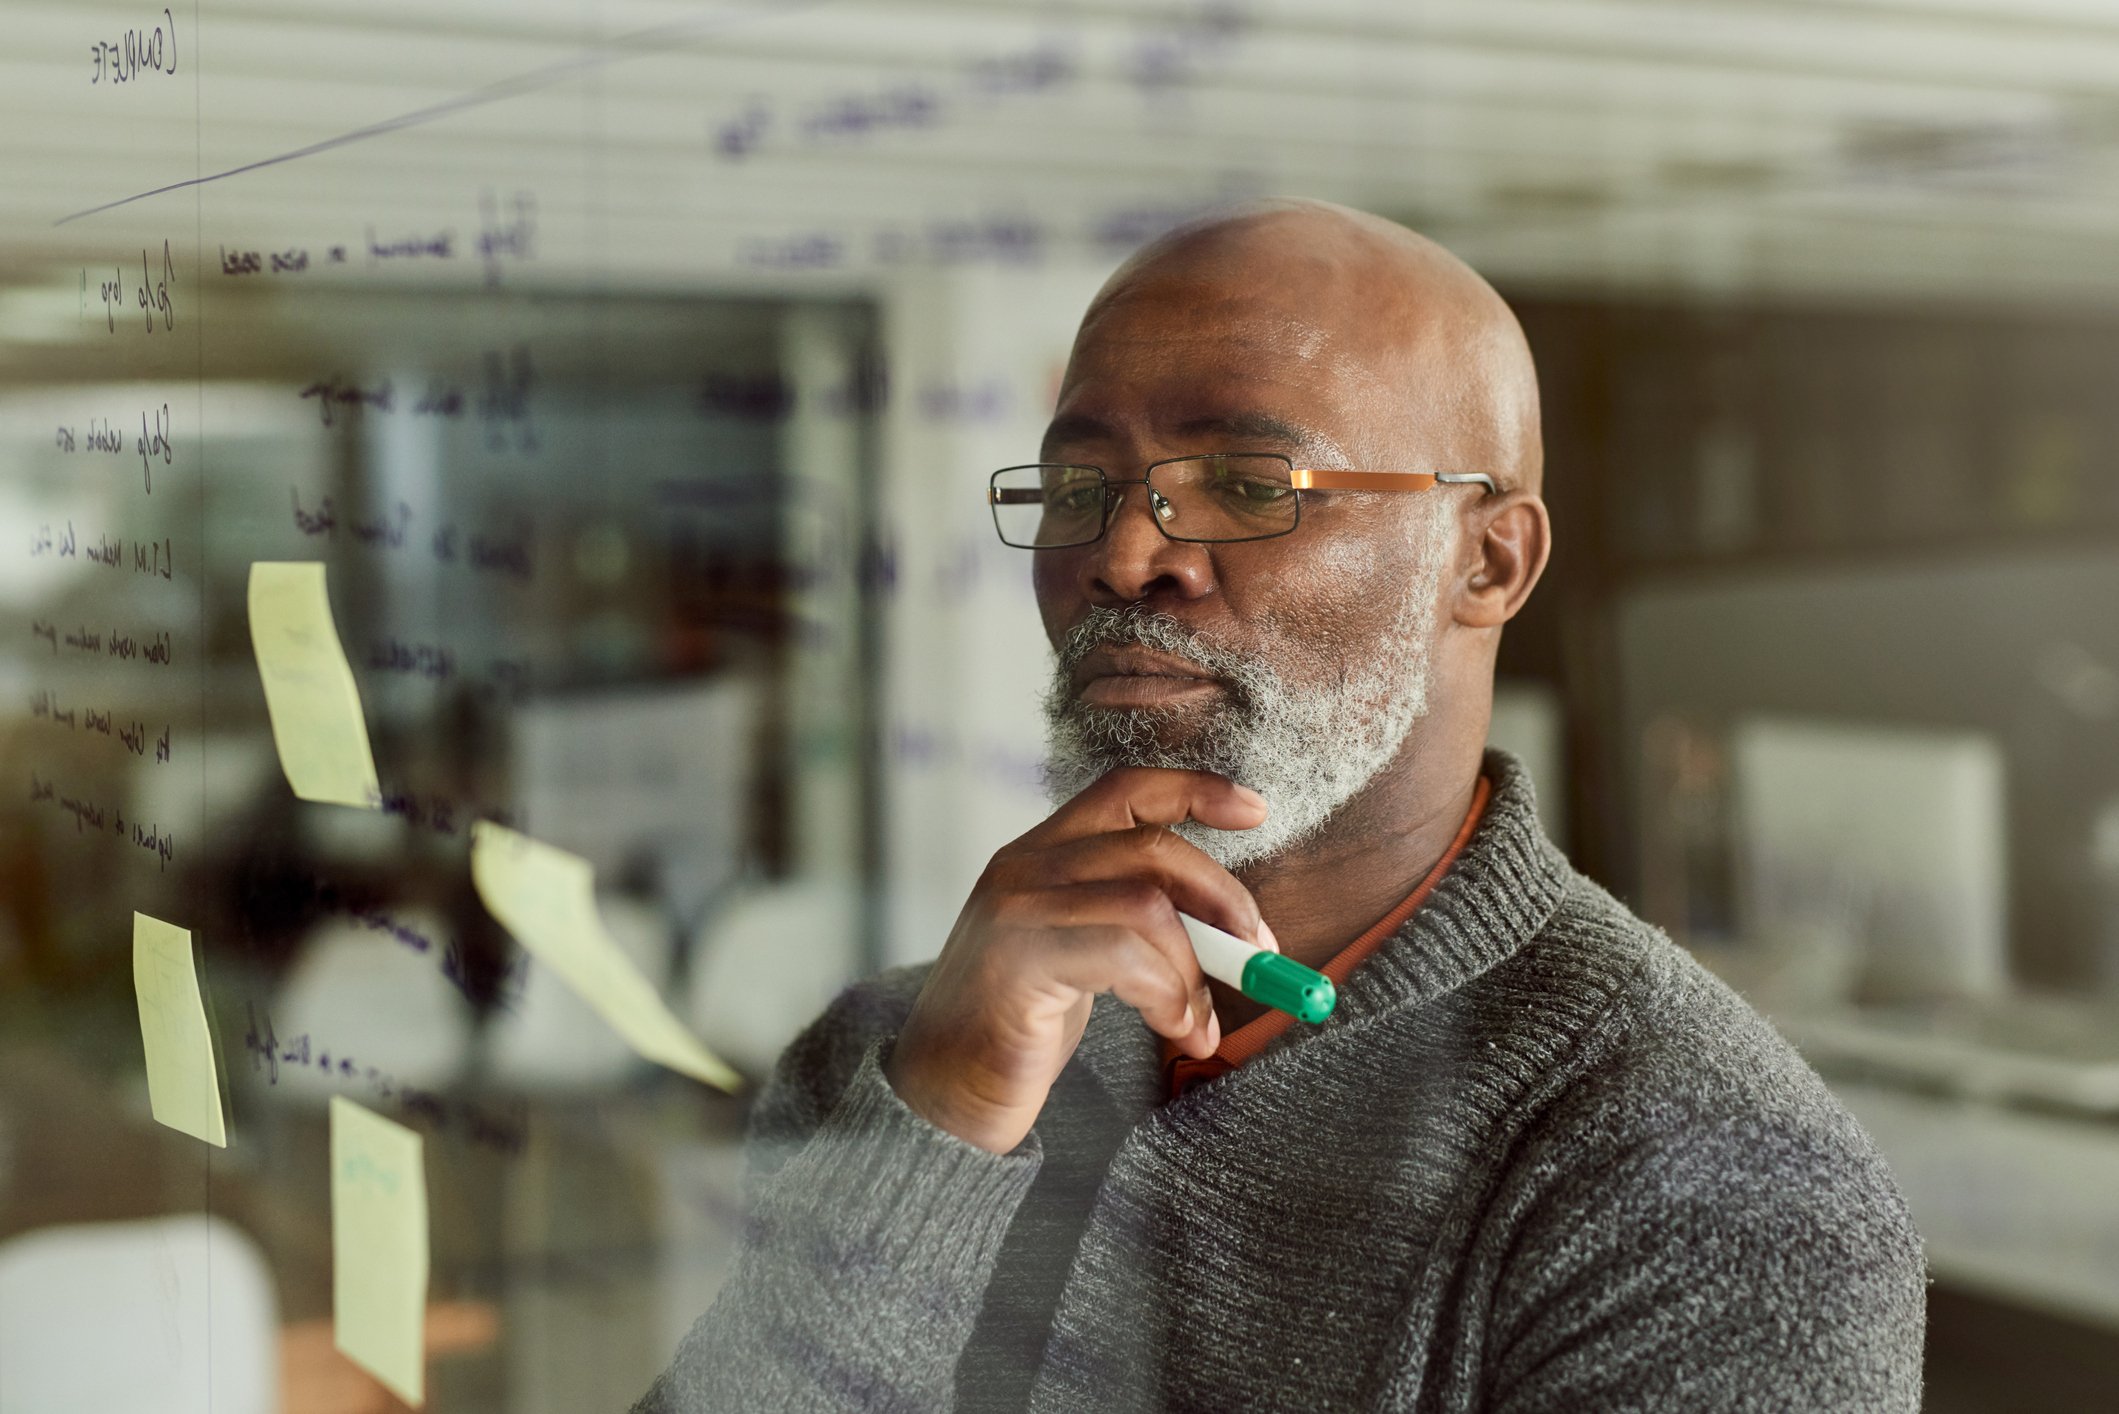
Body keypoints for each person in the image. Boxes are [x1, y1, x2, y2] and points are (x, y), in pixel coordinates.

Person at [636, 200, 1926, 1412]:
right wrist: (938, 1128)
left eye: (1254, 485)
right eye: (1079, 489)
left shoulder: (1714, 1186)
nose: (1126, 555)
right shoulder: (895, 1057)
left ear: (1490, 558)